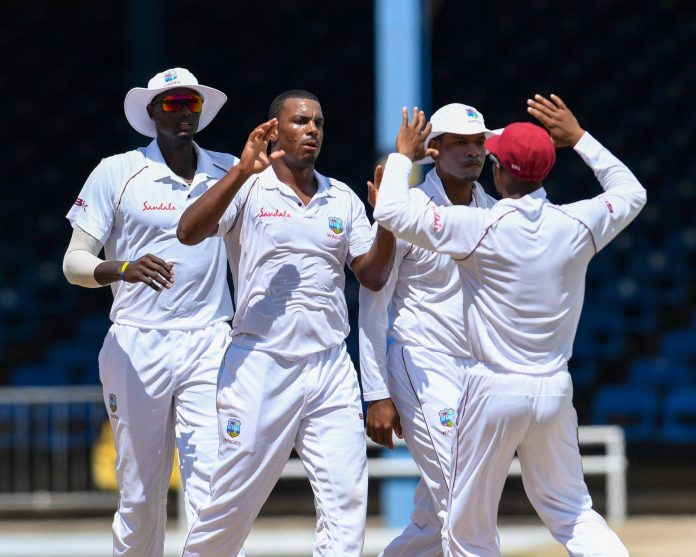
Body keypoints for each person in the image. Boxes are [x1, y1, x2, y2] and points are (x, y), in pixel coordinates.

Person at [373, 95, 645, 557]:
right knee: (575, 513)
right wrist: (580, 138)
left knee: (468, 529)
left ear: (498, 171)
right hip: (554, 390)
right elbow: (632, 192)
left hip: (492, 389)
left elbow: (392, 212)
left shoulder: (477, 226)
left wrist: (403, 156)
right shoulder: (579, 223)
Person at [177, 90, 395, 556]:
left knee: (346, 500)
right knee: (233, 500)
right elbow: (188, 231)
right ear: (274, 130)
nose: (312, 129)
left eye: (319, 122)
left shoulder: (341, 197)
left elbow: (373, 275)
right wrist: (240, 171)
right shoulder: (248, 187)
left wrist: (389, 221)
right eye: (300, 121)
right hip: (260, 362)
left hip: (329, 366)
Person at [63, 68, 239, 557]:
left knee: (215, 489)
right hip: (137, 342)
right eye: (172, 103)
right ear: (151, 111)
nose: (183, 112)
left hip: (210, 340)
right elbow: (73, 263)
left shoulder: (229, 170)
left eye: (191, 103)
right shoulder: (117, 171)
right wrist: (122, 268)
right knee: (140, 496)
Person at [360, 103, 498, 556]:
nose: (473, 151)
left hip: (476, 373)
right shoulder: (407, 210)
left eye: (478, 142)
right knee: (465, 500)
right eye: (460, 143)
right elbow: (373, 304)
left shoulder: (495, 212)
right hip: (420, 363)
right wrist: (377, 393)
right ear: (433, 149)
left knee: (434, 521)